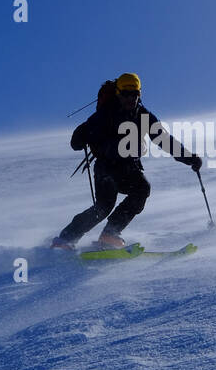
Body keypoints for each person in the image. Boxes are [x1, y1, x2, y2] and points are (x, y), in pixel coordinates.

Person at [52, 73, 202, 250]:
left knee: (142, 189)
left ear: (139, 94)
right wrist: (82, 137)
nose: (130, 98)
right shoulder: (105, 113)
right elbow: (77, 141)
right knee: (104, 206)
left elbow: (163, 139)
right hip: (106, 167)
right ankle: (65, 239)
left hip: (128, 166)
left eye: (135, 94)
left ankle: (110, 234)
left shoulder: (143, 115)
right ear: (118, 93)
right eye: (126, 94)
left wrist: (188, 157)